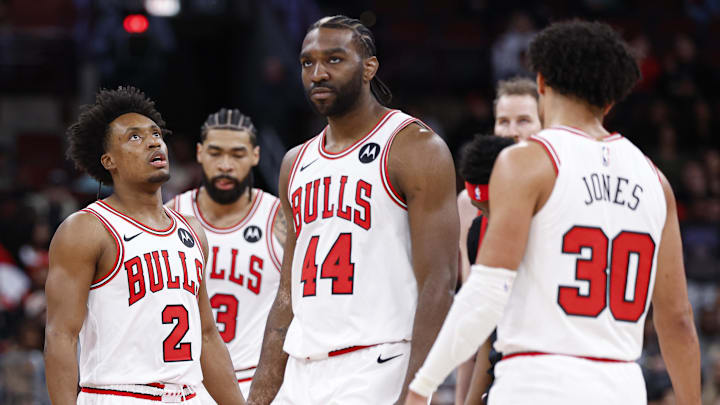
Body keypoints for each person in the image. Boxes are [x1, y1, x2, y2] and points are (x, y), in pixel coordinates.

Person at [408, 20, 701, 405]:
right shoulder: (656, 181)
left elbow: (486, 292)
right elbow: (677, 320)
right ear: (610, 100)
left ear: (541, 81)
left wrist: (422, 385)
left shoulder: (527, 161)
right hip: (622, 385)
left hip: (537, 382)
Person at [247, 15, 459, 405]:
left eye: (334, 59)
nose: (318, 73)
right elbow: (287, 294)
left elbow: (440, 282)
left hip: (377, 364)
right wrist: (260, 395)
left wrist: (417, 391)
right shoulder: (296, 162)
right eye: (307, 63)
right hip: (302, 367)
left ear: (369, 68)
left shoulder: (414, 146)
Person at [44, 86, 245, 405]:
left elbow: (206, 335)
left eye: (155, 134)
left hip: (191, 395)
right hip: (122, 394)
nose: (154, 141)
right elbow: (60, 337)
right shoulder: (86, 229)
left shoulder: (191, 230)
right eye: (134, 137)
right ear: (109, 160)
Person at [166, 108, 286, 399]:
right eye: (216, 153)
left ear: (256, 155)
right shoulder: (170, 217)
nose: (225, 165)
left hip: (257, 382)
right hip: (185, 383)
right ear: (199, 153)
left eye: (237, 154)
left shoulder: (280, 217)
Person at [455, 78, 540, 405]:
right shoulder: (469, 202)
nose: (512, 131)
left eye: (524, 120)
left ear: (543, 125)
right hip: (496, 370)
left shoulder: (562, 192)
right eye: (503, 121)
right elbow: (471, 317)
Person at [453, 135, 514, 405]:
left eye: (495, 206)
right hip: (503, 377)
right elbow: (486, 332)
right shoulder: (478, 232)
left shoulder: (549, 229)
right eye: (481, 209)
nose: (489, 216)